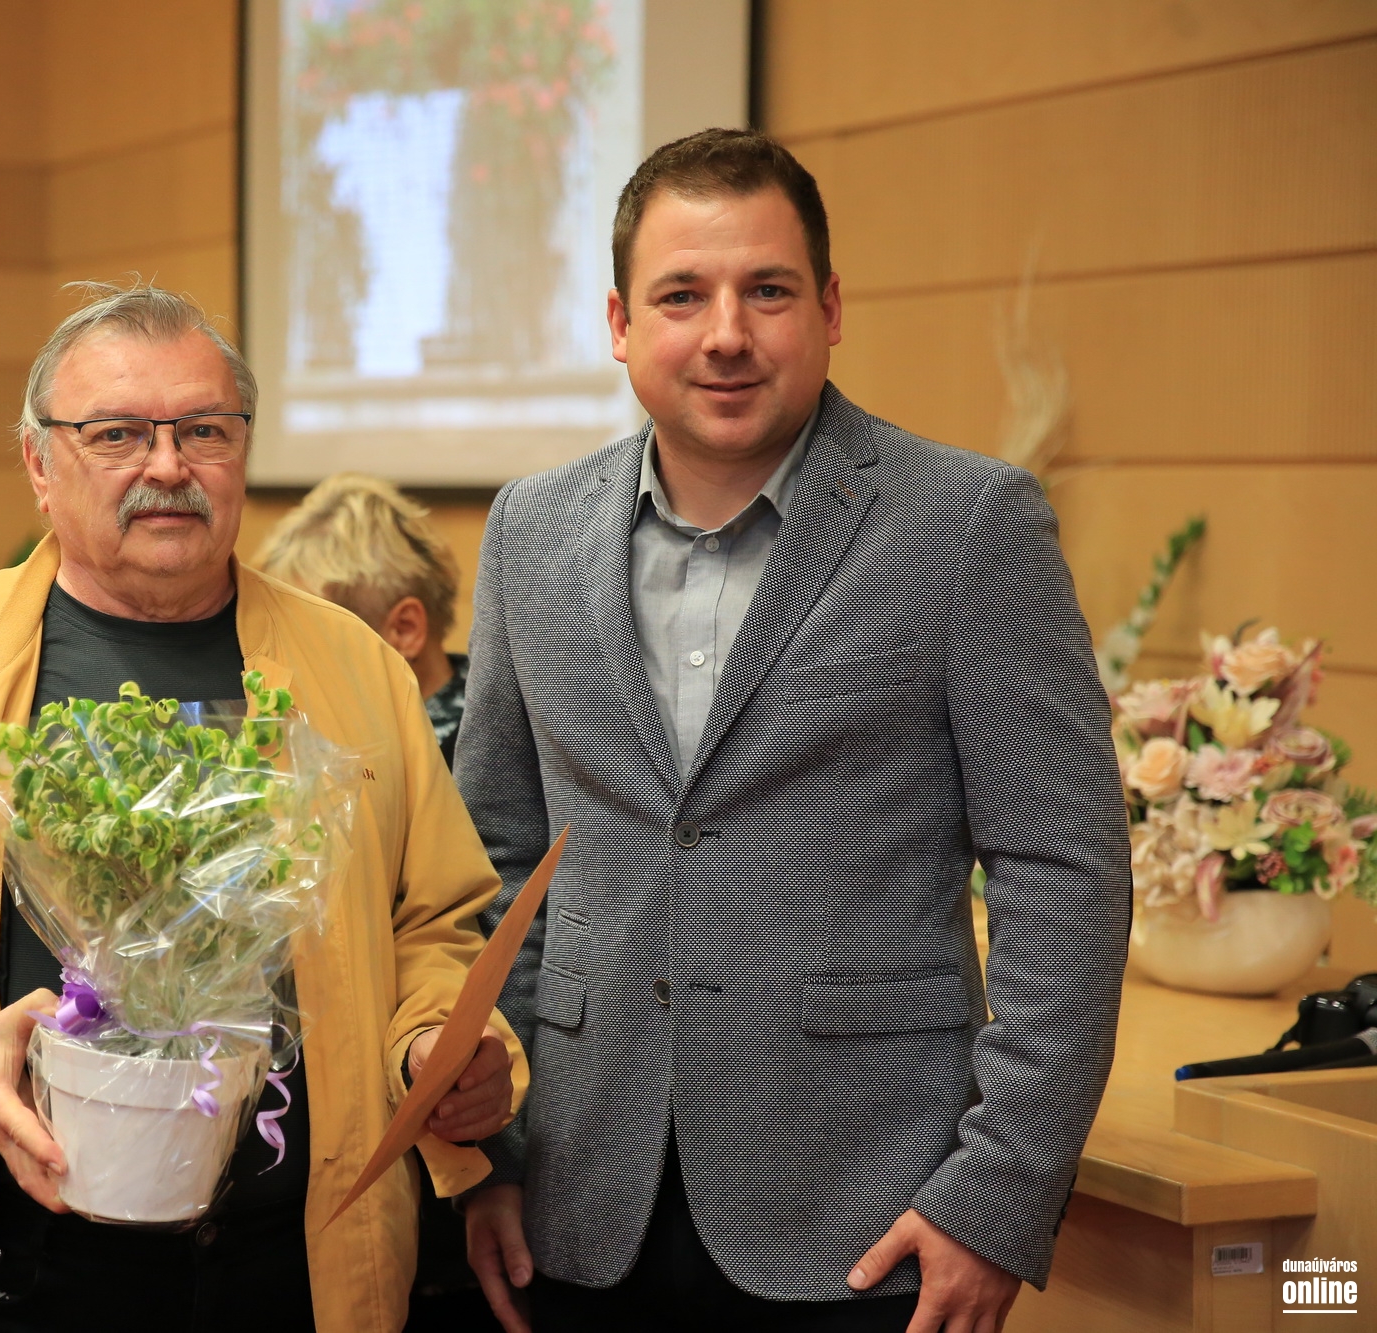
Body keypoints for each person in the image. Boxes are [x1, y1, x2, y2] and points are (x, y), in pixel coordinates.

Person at [0, 283, 527, 1333]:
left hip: (291, 1269)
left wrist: (431, 1043)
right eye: (116, 433)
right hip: (8, 1265)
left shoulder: (356, 673)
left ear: (241, 452)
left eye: (203, 430)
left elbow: (430, 924)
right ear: (39, 463)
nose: (167, 465)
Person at [456, 128, 1131, 1332]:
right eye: (680, 295)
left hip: (867, 1220)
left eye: (765, 291)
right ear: (618, 323)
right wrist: (485, 1153)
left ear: (827, 309)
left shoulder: (966, 525)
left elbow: (1062, 870)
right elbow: (494, 862)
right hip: (572, 1200)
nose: (725, 333)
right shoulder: (527, 533)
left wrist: (996, 1191)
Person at [256, 475, 492, 1330]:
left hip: (467, 1133)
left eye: (320, 627)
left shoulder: (475, 755)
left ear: (404, 629)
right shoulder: (305, 751)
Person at [255, 474, 470, 765]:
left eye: (306, 638)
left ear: (404, 630)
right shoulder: (308, 735)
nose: (283, 663)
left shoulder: (484, 760)